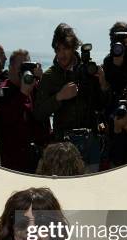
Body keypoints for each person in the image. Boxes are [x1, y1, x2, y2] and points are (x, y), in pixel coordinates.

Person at [34, 23, 110, 172]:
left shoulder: (89, 70)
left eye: (65, 48)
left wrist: (103, 84)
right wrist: (59, 97)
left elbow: (103, 106)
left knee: (91, 189)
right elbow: (38, 113)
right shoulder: (50, 76)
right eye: (58, 49)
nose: (61, 54)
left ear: (74, 48)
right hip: (63, 147)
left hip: (91, 142)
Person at [0, 49, 50, 173]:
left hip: (35, 158)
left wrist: (41, 80)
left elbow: (43, 114)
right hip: (14, 159)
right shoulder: (3, 89)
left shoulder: (34, 87)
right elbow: (6, 119)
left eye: (27, 66)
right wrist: (23, 94)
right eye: (21, 66)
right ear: (10, 68)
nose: (24, 70)